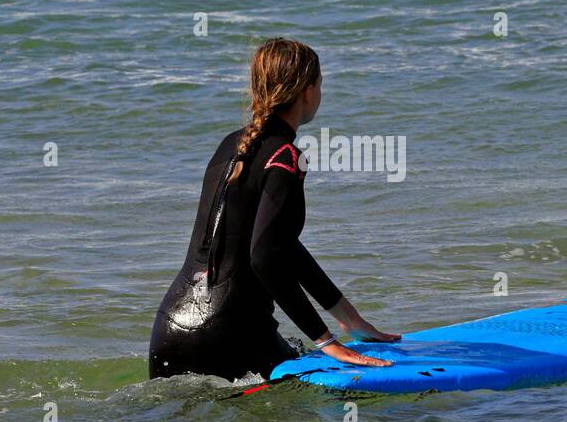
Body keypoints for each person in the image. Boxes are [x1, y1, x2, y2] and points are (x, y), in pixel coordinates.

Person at [149, 38, 399, 381]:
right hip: (230, 336)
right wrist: (326, 342)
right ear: (307, 92)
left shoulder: (229, 146)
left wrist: (348, 318)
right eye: (320, 84)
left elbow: (281, 248)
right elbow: (265, 255)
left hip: (170, 330)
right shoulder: (285, 156)